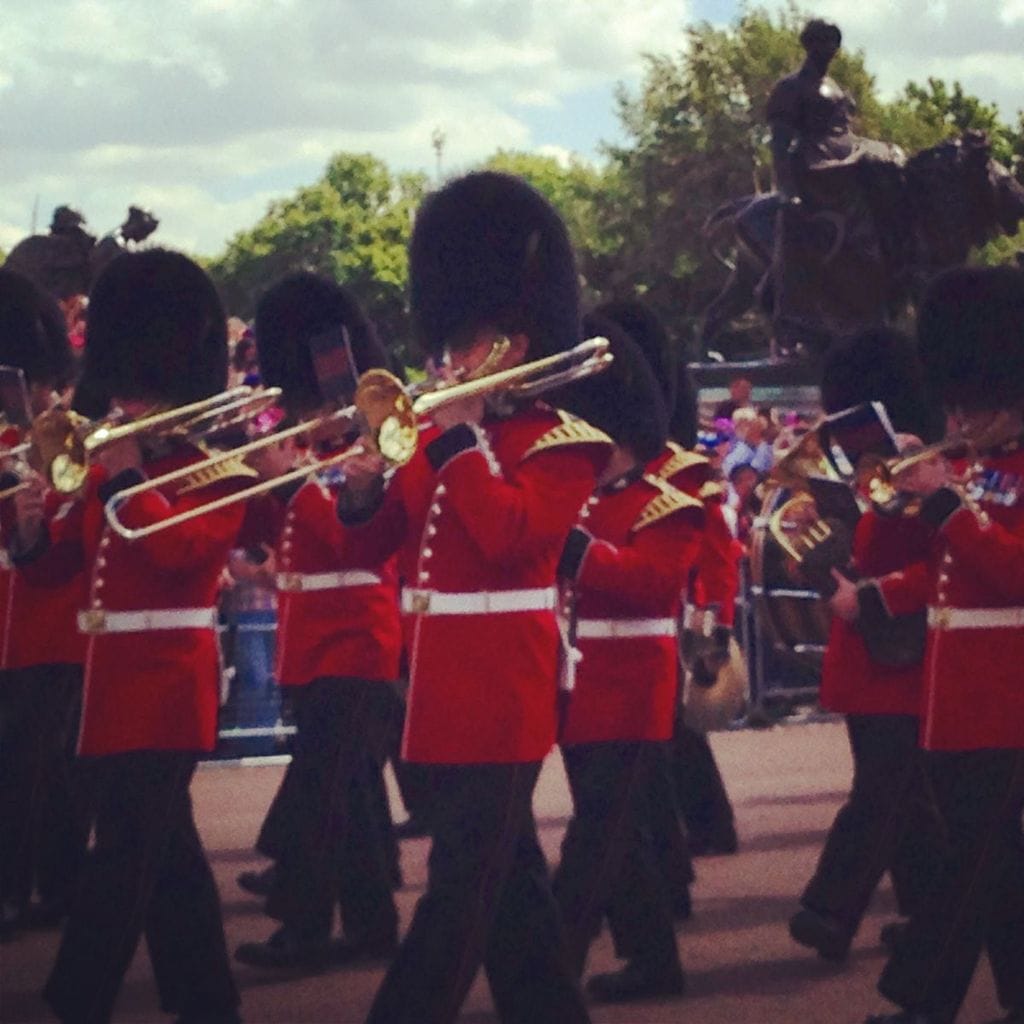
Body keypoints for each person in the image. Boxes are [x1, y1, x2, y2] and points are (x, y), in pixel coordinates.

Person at [340, 171, 609, 1024]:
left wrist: (456, 442)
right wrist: (359, 490)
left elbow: (512, 540)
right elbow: (383, 545)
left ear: (516, 343)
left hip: (503, 692)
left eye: (470, 343)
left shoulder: (564, 443)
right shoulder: (441, 436)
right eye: (449, 342)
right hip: (438, 693)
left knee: (456, 896)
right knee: (513, 896)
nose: (450, 360)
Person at [12, 250, 245, 1024]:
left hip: (171, 686)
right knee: (165, 857)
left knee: (118, 862)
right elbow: (60, 573)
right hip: (111, 686)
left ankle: (73, 1001)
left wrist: (124, 476)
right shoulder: (113, 465)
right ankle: (207, 1001)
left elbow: (178, 551)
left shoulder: (219, 471)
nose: (129, 402)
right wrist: (26, 534)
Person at [847, 266, 1024, 1024]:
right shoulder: (973, 469)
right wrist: (908, 494)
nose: (960, 416)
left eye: (971, 405)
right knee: (999, 871)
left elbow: (1013, 573)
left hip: (1007, 698)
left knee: (970, 866)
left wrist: (946, 499)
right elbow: (908, 561)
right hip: (953, 699)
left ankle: (923, 1000)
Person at [234, 271, 403, 970]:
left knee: (326, 797)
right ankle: (370, 925)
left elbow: (349, 539)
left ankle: (303, 929)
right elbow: (285, 543)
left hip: (356, 638)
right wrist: (260, 483)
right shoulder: (318, 450)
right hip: (313, 640)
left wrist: (294, 483)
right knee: (353, 800)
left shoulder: (373, 447)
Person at [551, 315, 702, 1003]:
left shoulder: (665, 505)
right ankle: (655, 963)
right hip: (582, 688)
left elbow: (655, 584)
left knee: (593, 841)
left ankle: (551, 962)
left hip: (638, 689)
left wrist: (582, 556)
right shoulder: (578, 500)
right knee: (621, 838)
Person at [787, 327, 946, 964]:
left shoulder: (933, 468)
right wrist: (811, 549)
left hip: (914, 644)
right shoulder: (857, 470)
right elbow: (852, 548)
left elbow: (948, 560)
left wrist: (879, 594)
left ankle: (830, 908)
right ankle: (928, 914)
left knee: (885, 787)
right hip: (867, 649)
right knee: (905, 794)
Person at [0, 269, 87, 939]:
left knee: (45, 768)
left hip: (51, 624)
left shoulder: (68, 438)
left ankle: (46, 886)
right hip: (13, 623)